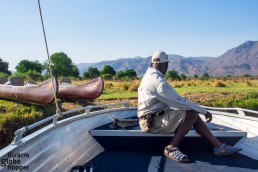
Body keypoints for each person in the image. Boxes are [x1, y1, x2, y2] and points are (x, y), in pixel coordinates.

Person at [137, 50, 241, 162]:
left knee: (193, 114)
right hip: (152, 123)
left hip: (151, 119)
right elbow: (179, 101)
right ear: (166, 64)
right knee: (191, 113)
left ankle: (219, 146)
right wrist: (204, 111)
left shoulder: (148, 75)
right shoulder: (157, 81)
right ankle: (171, 148)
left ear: (152, 62)